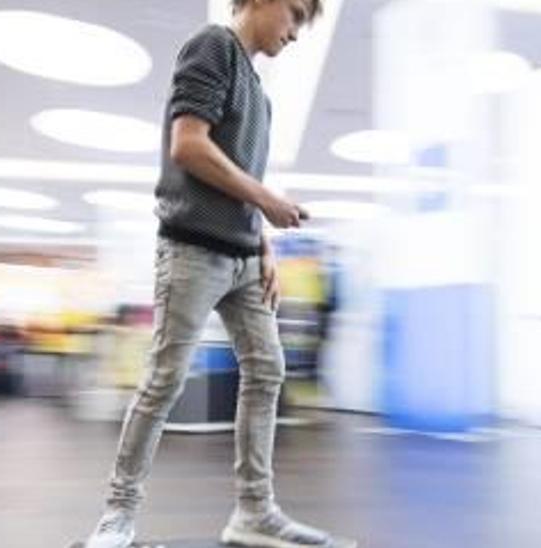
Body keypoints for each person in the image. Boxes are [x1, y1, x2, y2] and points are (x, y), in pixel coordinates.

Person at [82, 1, 352, 547]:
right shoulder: (212, 47)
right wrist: (268, 202)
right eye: (295, 14)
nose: (296, 33)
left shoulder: (264, 101)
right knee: (164, 379)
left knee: (267, 370)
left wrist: (263, 243)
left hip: (245, 257)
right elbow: (189, 145)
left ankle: (254, 513)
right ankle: (117, 517)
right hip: (192, 250)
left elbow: (240, 180)